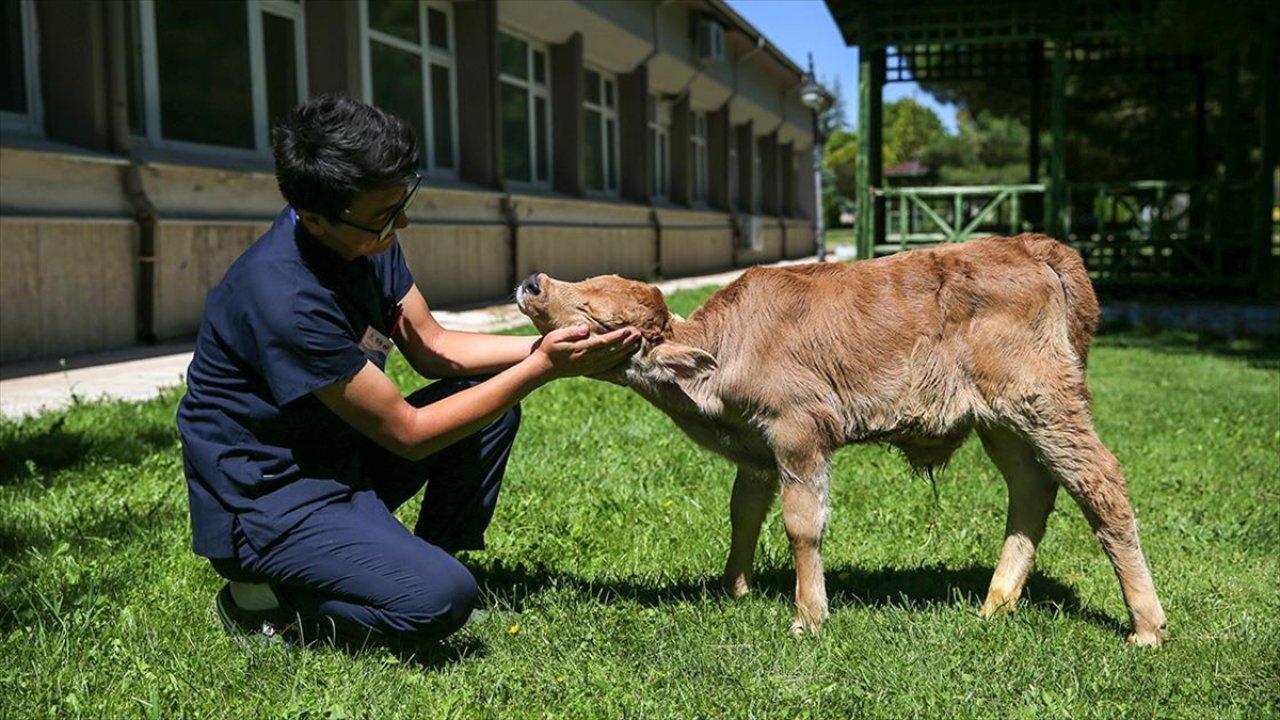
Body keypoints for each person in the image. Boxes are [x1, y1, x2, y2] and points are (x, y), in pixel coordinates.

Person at [176, 95, 640, 649]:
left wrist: (552, 345)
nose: (401, 222)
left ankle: (427, 557)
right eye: (383, 216)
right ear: (314, 218)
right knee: (441, 602)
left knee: (487, 407)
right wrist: (544, 368)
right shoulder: (286, 298)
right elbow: (409, 435)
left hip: (335, 453)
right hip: (270, 496)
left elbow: (434, 348)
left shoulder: (363, 237)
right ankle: (263, 601)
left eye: (402, 202)